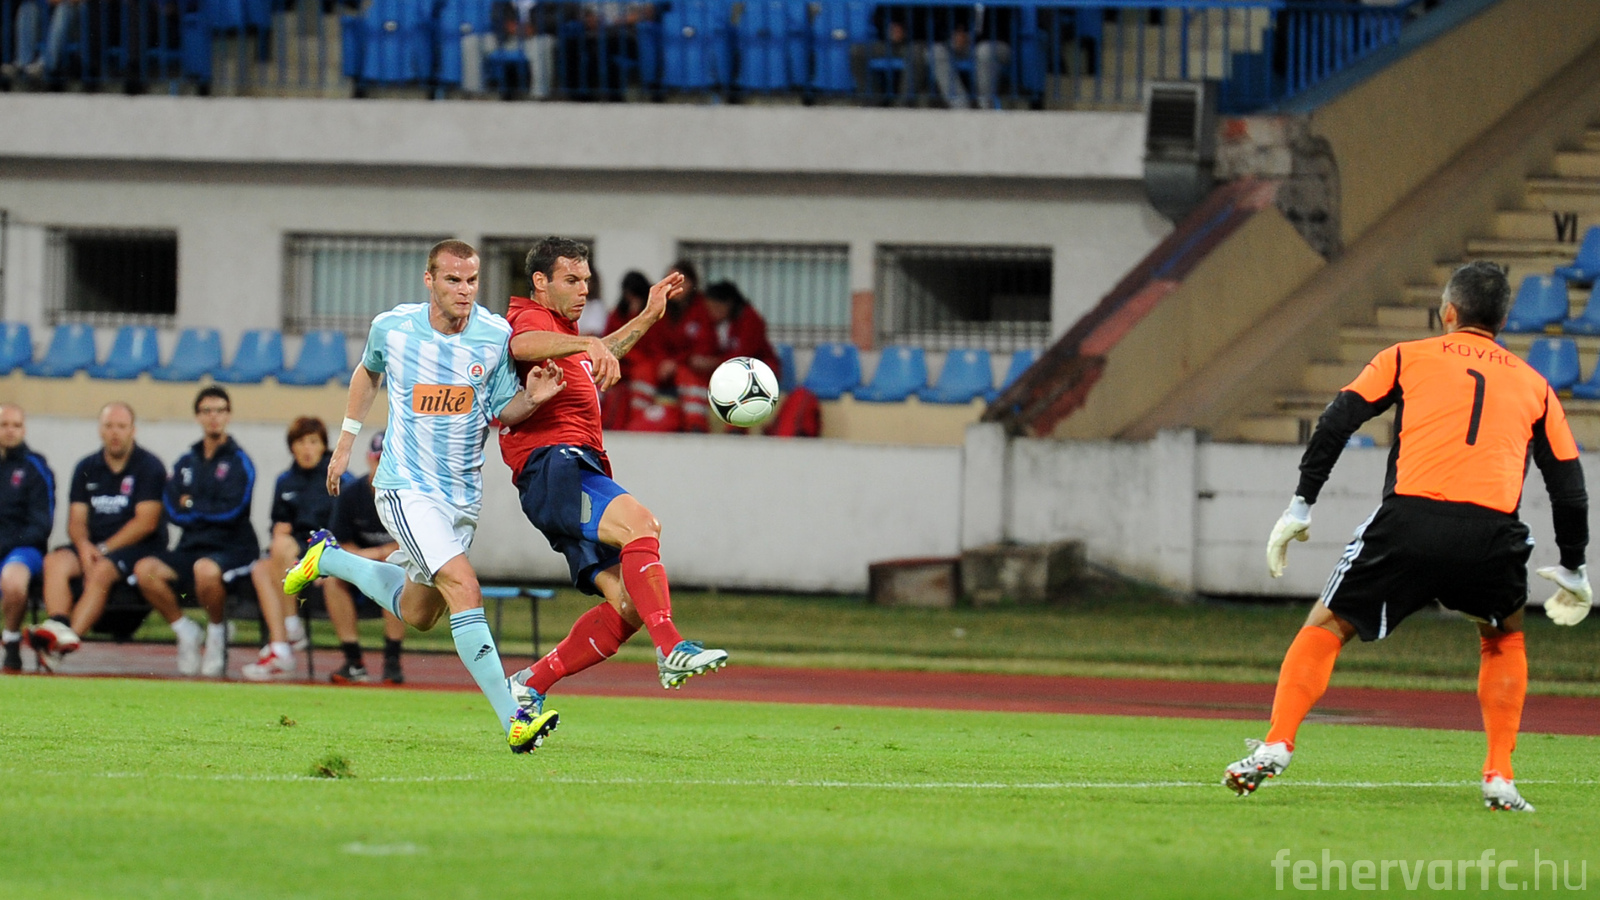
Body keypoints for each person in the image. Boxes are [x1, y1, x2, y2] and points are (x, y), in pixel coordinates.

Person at [1227, 261, 1591, 813]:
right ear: (1503, 320)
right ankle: (1499, 774)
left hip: (1410, 520)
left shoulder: (1405, 357)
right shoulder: (1536, 385)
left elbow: (1336, 421)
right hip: (1492, 532)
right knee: (1503, 639)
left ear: (1448, 312)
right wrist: (1573, 567)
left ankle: (1277, 743)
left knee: (1325, 626)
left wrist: (1301, 504)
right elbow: (1568, 485)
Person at [282, 239, 566, 753]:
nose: (465, 289)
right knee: (464, 586)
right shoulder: (393, 328)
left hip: (462, 498)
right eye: (453, 279)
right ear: (429, 280)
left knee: (420, 613)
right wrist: (345, 443)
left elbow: (503, 408)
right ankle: (514, 718)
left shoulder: (494, 336)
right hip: (406, 489)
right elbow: (368, 371)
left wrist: (533, 399)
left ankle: (329, 559)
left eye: (472, 280)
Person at [499, 236, 729, 717]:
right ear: (540, 282)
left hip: (568, 468)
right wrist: (588, 342)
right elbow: (521, 344)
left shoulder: (568, 334)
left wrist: (648, 315)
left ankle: (528, 684)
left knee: (628, 604)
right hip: (555, 464)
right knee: (642, 525)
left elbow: (605, 350)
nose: (583, 289)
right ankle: (672, 648)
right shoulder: (530, 317)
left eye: (586, 280)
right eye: (571, 280)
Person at [27, 402, 166, 672]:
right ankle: (59, 625)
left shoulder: (149, 467)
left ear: (133, 430)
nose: (115, 432)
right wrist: (83, 547)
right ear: (100, 430)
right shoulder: (86, 466)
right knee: (55, 561)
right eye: (109, 426)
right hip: (93, 547)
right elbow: (76, 520)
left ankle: (60, 645)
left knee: (101, 570)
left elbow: (146, 522)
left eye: (121, 426)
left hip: (137, 548)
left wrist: (101, 550)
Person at [132, 386, 258, 678]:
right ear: (198, 416)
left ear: (228, 415)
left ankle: (216, 632)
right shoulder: (185, 461)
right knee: (145, 570)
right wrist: (200, 509)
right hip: (191, 546)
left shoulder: (240, 462)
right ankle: (185, 630)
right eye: (207, 411)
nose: (214, 417)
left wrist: (191, 504)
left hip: (232, 548)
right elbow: (171, 508)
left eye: (220, 410)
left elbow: (233, 510)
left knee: (205, 569)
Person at [242, 416, 346, 681]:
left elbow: (344, 528)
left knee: (281, 552)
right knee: (261, 569)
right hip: (294, 553)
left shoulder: (338, 478)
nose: (307, 448)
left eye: (313, 442)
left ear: (323, 446)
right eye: (300, 442)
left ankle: (289, 628)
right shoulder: (285, 481)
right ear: (292, 447)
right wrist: (280, 531)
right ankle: (282, 646)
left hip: (327, 553)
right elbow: (279, 524)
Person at [321, 430, 408, 684]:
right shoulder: (352, 494)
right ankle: (353, 660)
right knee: (332, 582)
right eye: (378, 459)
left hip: (393, 567)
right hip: (360, 568)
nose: (382, 466)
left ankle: (392, 660)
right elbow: (340, 543)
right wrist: (369, 557)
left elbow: (408, 545)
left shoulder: (408, 497)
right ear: (369, 459)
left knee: (397, 577)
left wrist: (376, 555)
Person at [0, 404, 54, 674]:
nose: (10, 431)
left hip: (22, 549)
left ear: (24, 429)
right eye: (4, 425)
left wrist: (6, 544)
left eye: (16, 425)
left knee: (13, 581)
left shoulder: (35, 468)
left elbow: (41, 524)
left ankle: (10, 641)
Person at [929, 4, 1012, 110]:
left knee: (984, 51)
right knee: (935, 52)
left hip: (996, 43)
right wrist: (955, 35)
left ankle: (985, 105)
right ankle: (960, 105)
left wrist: (971, 38)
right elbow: (945, 22)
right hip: (965, 44)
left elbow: (1002, 26)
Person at [849, 5, 927, 106]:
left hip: (915, 43)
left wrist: (906, 32)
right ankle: (873, 99)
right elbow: (877, 18)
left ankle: (904, 103)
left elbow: (932, 23)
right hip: (888, 43)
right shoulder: (887, 4)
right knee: (856, 51)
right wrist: (888, 30)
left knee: (916, 53)